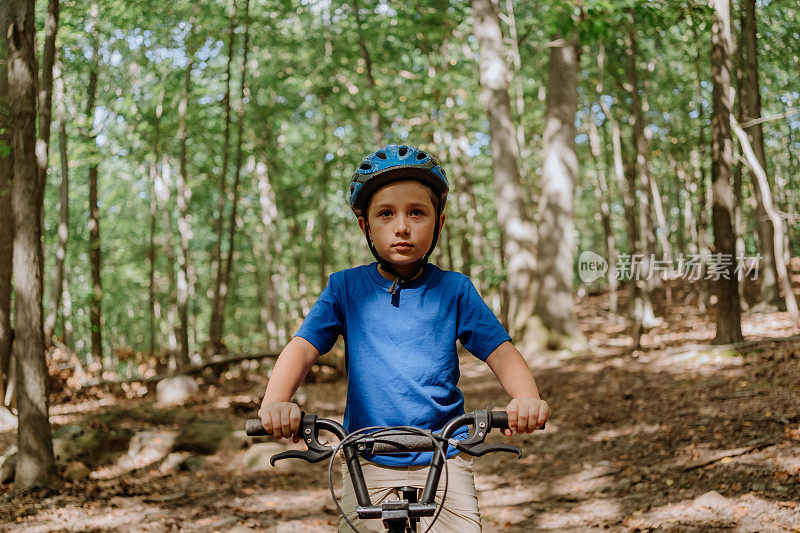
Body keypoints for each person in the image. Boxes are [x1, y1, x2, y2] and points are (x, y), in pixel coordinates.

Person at [258, 144, 549, 532]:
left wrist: (525, 398)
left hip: (445, 455)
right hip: (367, 458)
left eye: (416, 212)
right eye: (385, 214)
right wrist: (276, 402)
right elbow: (302, 348)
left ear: (438, 224)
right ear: (366, 227)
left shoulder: (455, 290)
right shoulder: (346, 288)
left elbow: (500, 350)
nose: (401, 226)